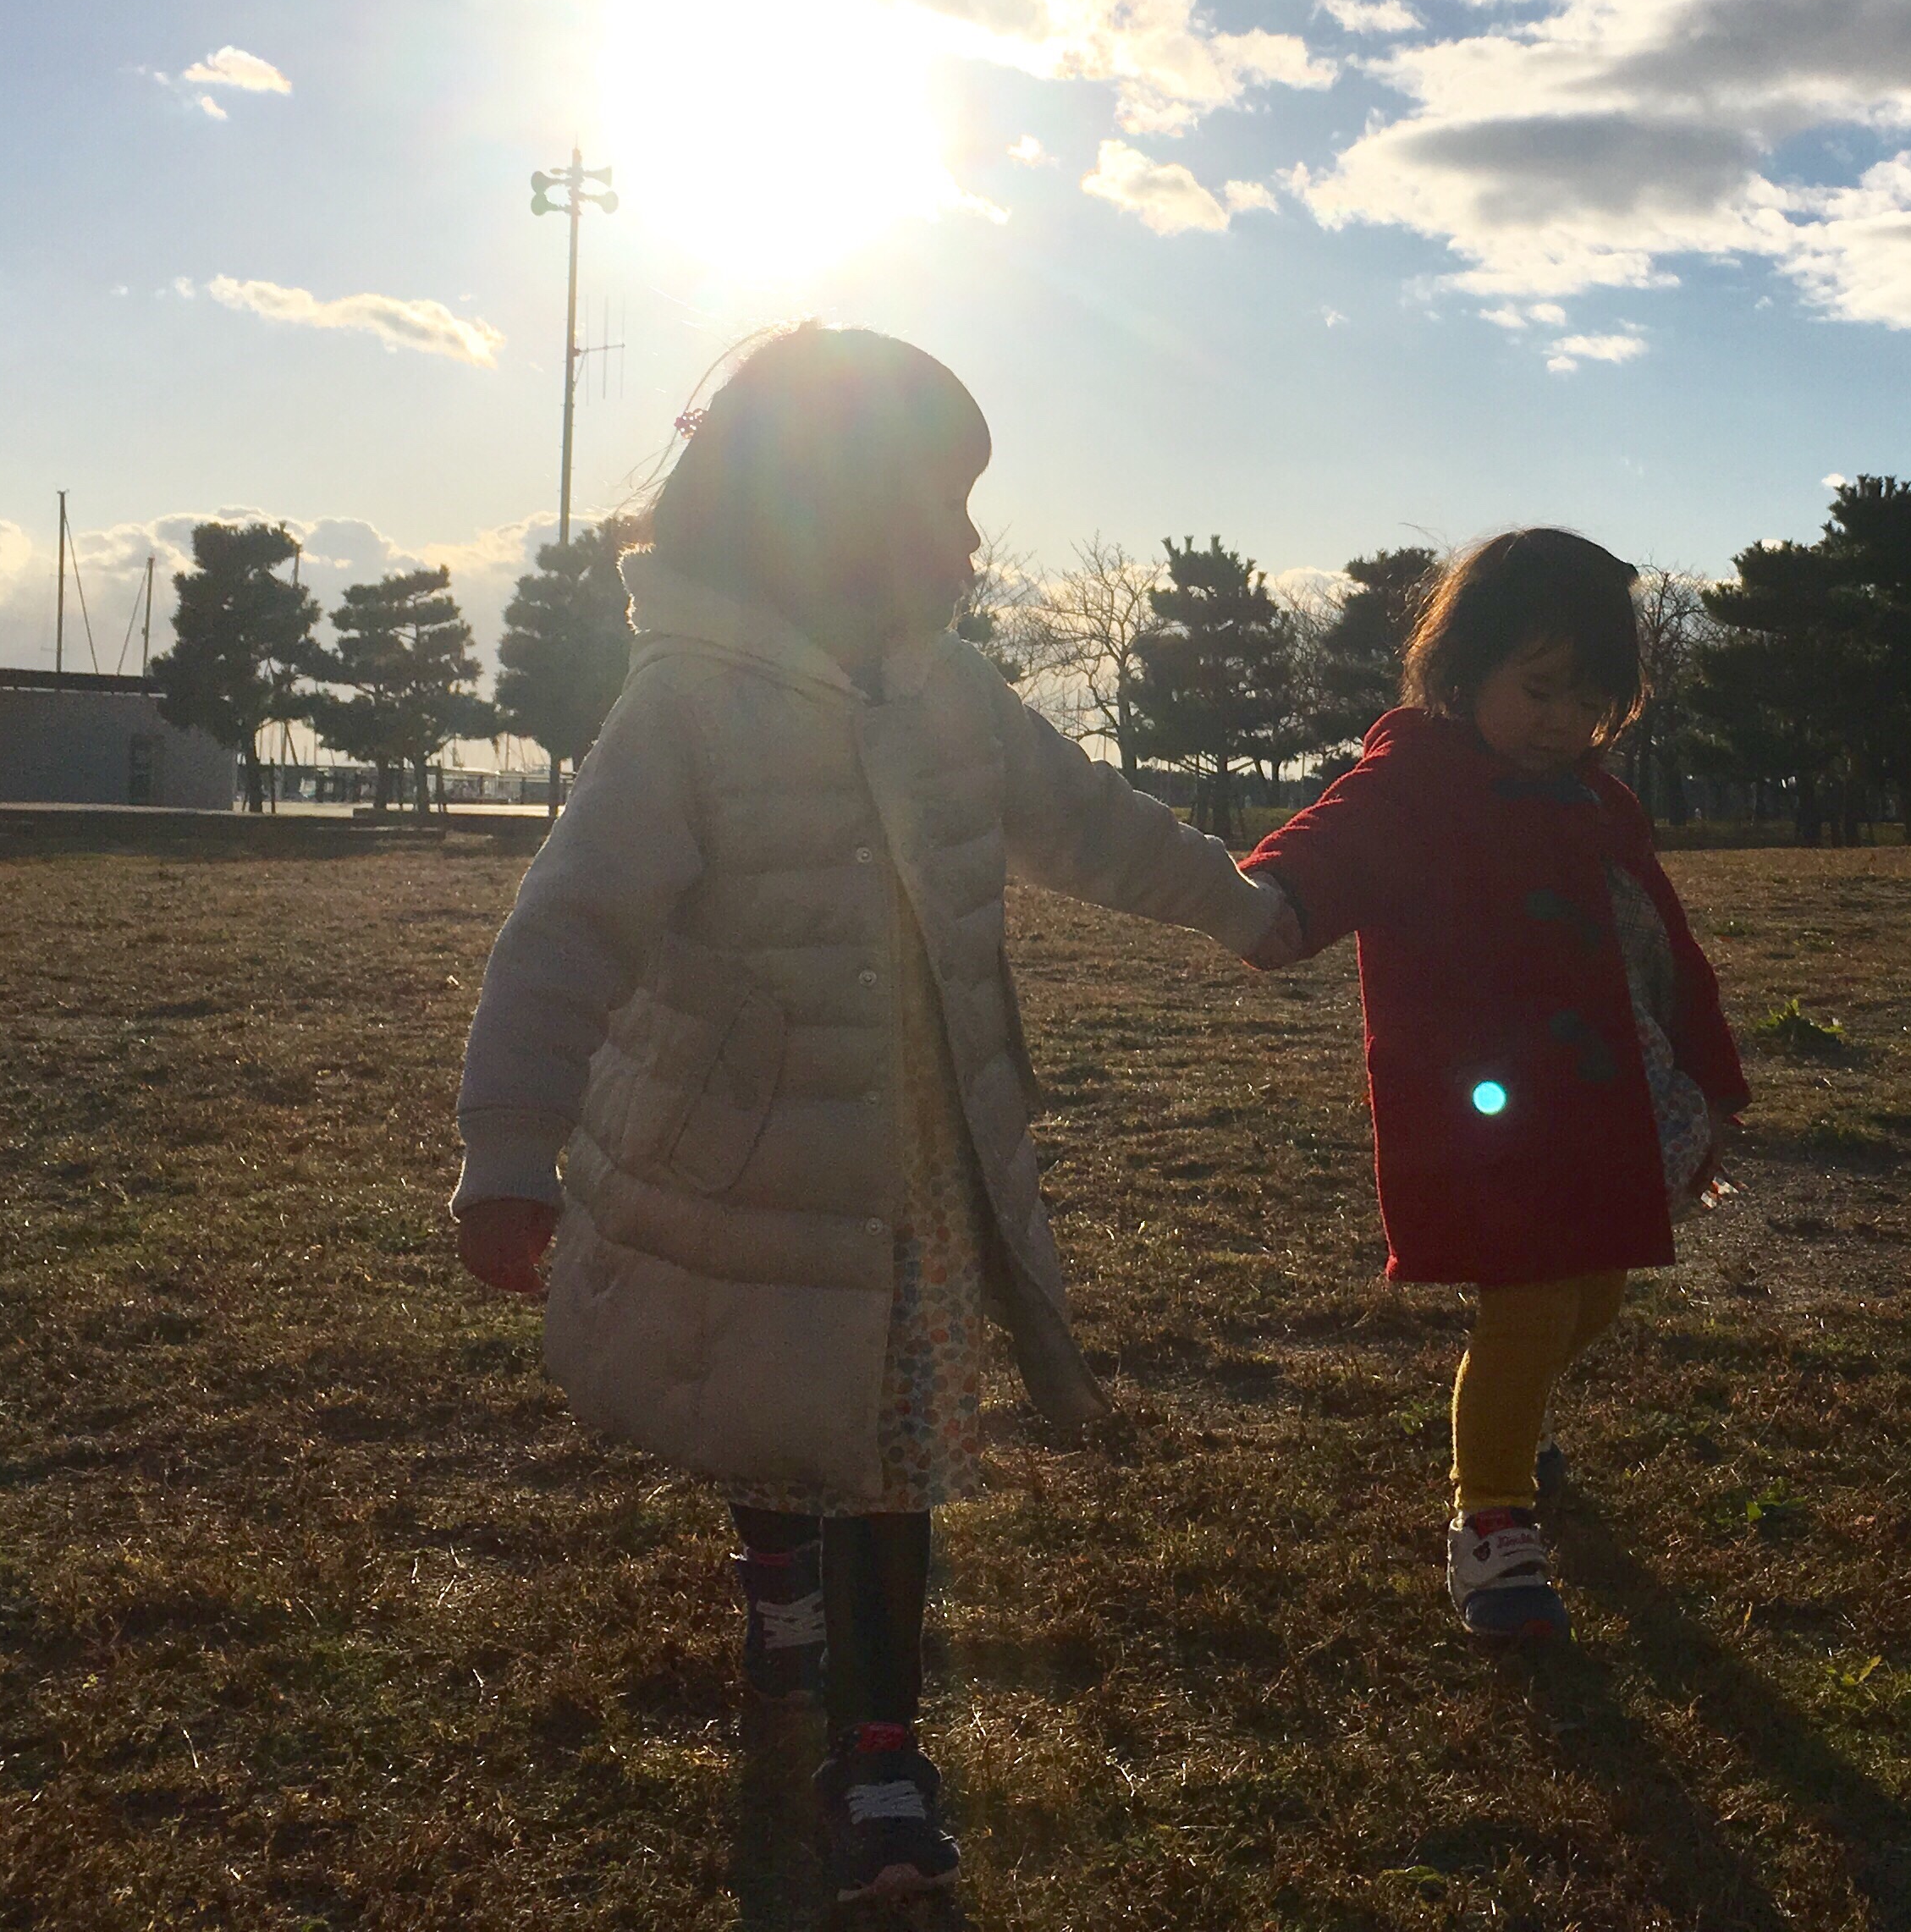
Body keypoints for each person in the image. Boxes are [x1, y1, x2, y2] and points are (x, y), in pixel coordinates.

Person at [451, 325, 1289, 1907]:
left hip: (922, 1163)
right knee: (775, 1382)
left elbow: (1093, 822)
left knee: (896, 1447)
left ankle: (880, 1750)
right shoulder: (687, 703)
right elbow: (567, 933)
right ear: (827, 509)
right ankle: (777, 1564)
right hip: (745, 1148)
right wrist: (508, 1149)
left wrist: (1247, 912)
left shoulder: (955, 693)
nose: (971, 542)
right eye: (944, 502)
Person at [1239, 528, 1746, 1644]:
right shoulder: (1416, 777)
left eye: (1591, 702)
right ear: (1466, 670)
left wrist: (1708, 1078)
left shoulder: (1601, 803)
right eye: (1540, 689)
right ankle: (1493, 1529)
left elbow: (1664, 944)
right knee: (1528, 1304)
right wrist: (1270, 900)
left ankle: (1513, 1422)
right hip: (1488, 1110)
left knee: (1595, 1297)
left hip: (1603, 1106)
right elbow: (1330, 843)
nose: (1562, 721)